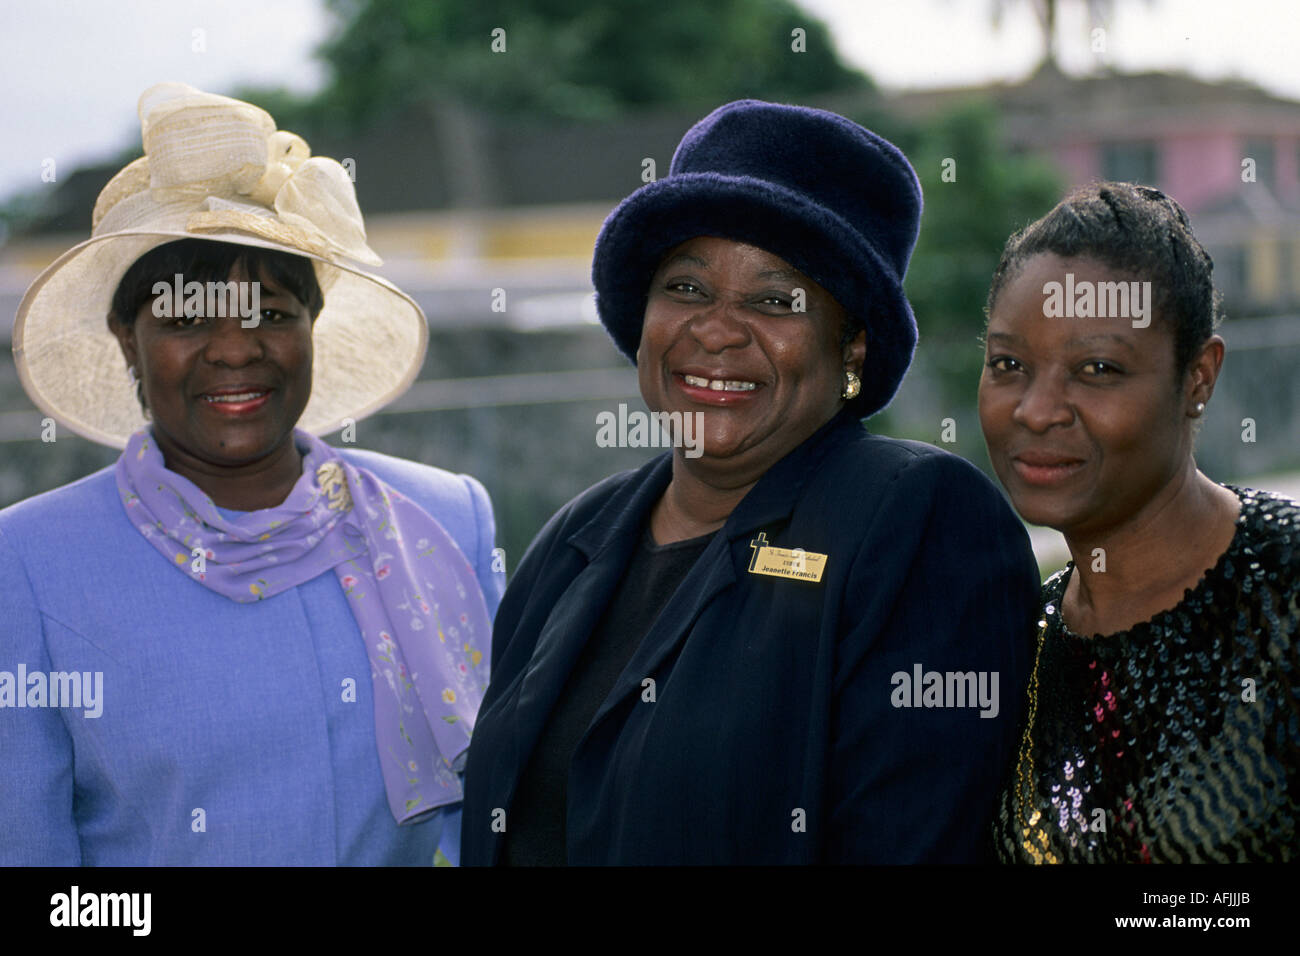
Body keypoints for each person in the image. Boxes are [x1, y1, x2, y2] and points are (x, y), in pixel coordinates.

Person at [460, 99, 1040, 865]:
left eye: (775, 301)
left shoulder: (917, 521)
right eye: (687, 289)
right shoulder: (573, 541)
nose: (717, 330)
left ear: (853, 347)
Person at [0, 83, 502, 866]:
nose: (235, 350)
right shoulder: (28, 563)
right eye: (186, 318)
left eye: (270, 312)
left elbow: (504, 814)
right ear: (127, 340)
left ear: (312, 327)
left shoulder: (438, 521)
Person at [979, 181, 1299, 863]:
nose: (1036, 410)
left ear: (1198, 378)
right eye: (1009, 364)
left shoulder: (1284, 596)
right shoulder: (1018, 645)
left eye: (1097, 369)